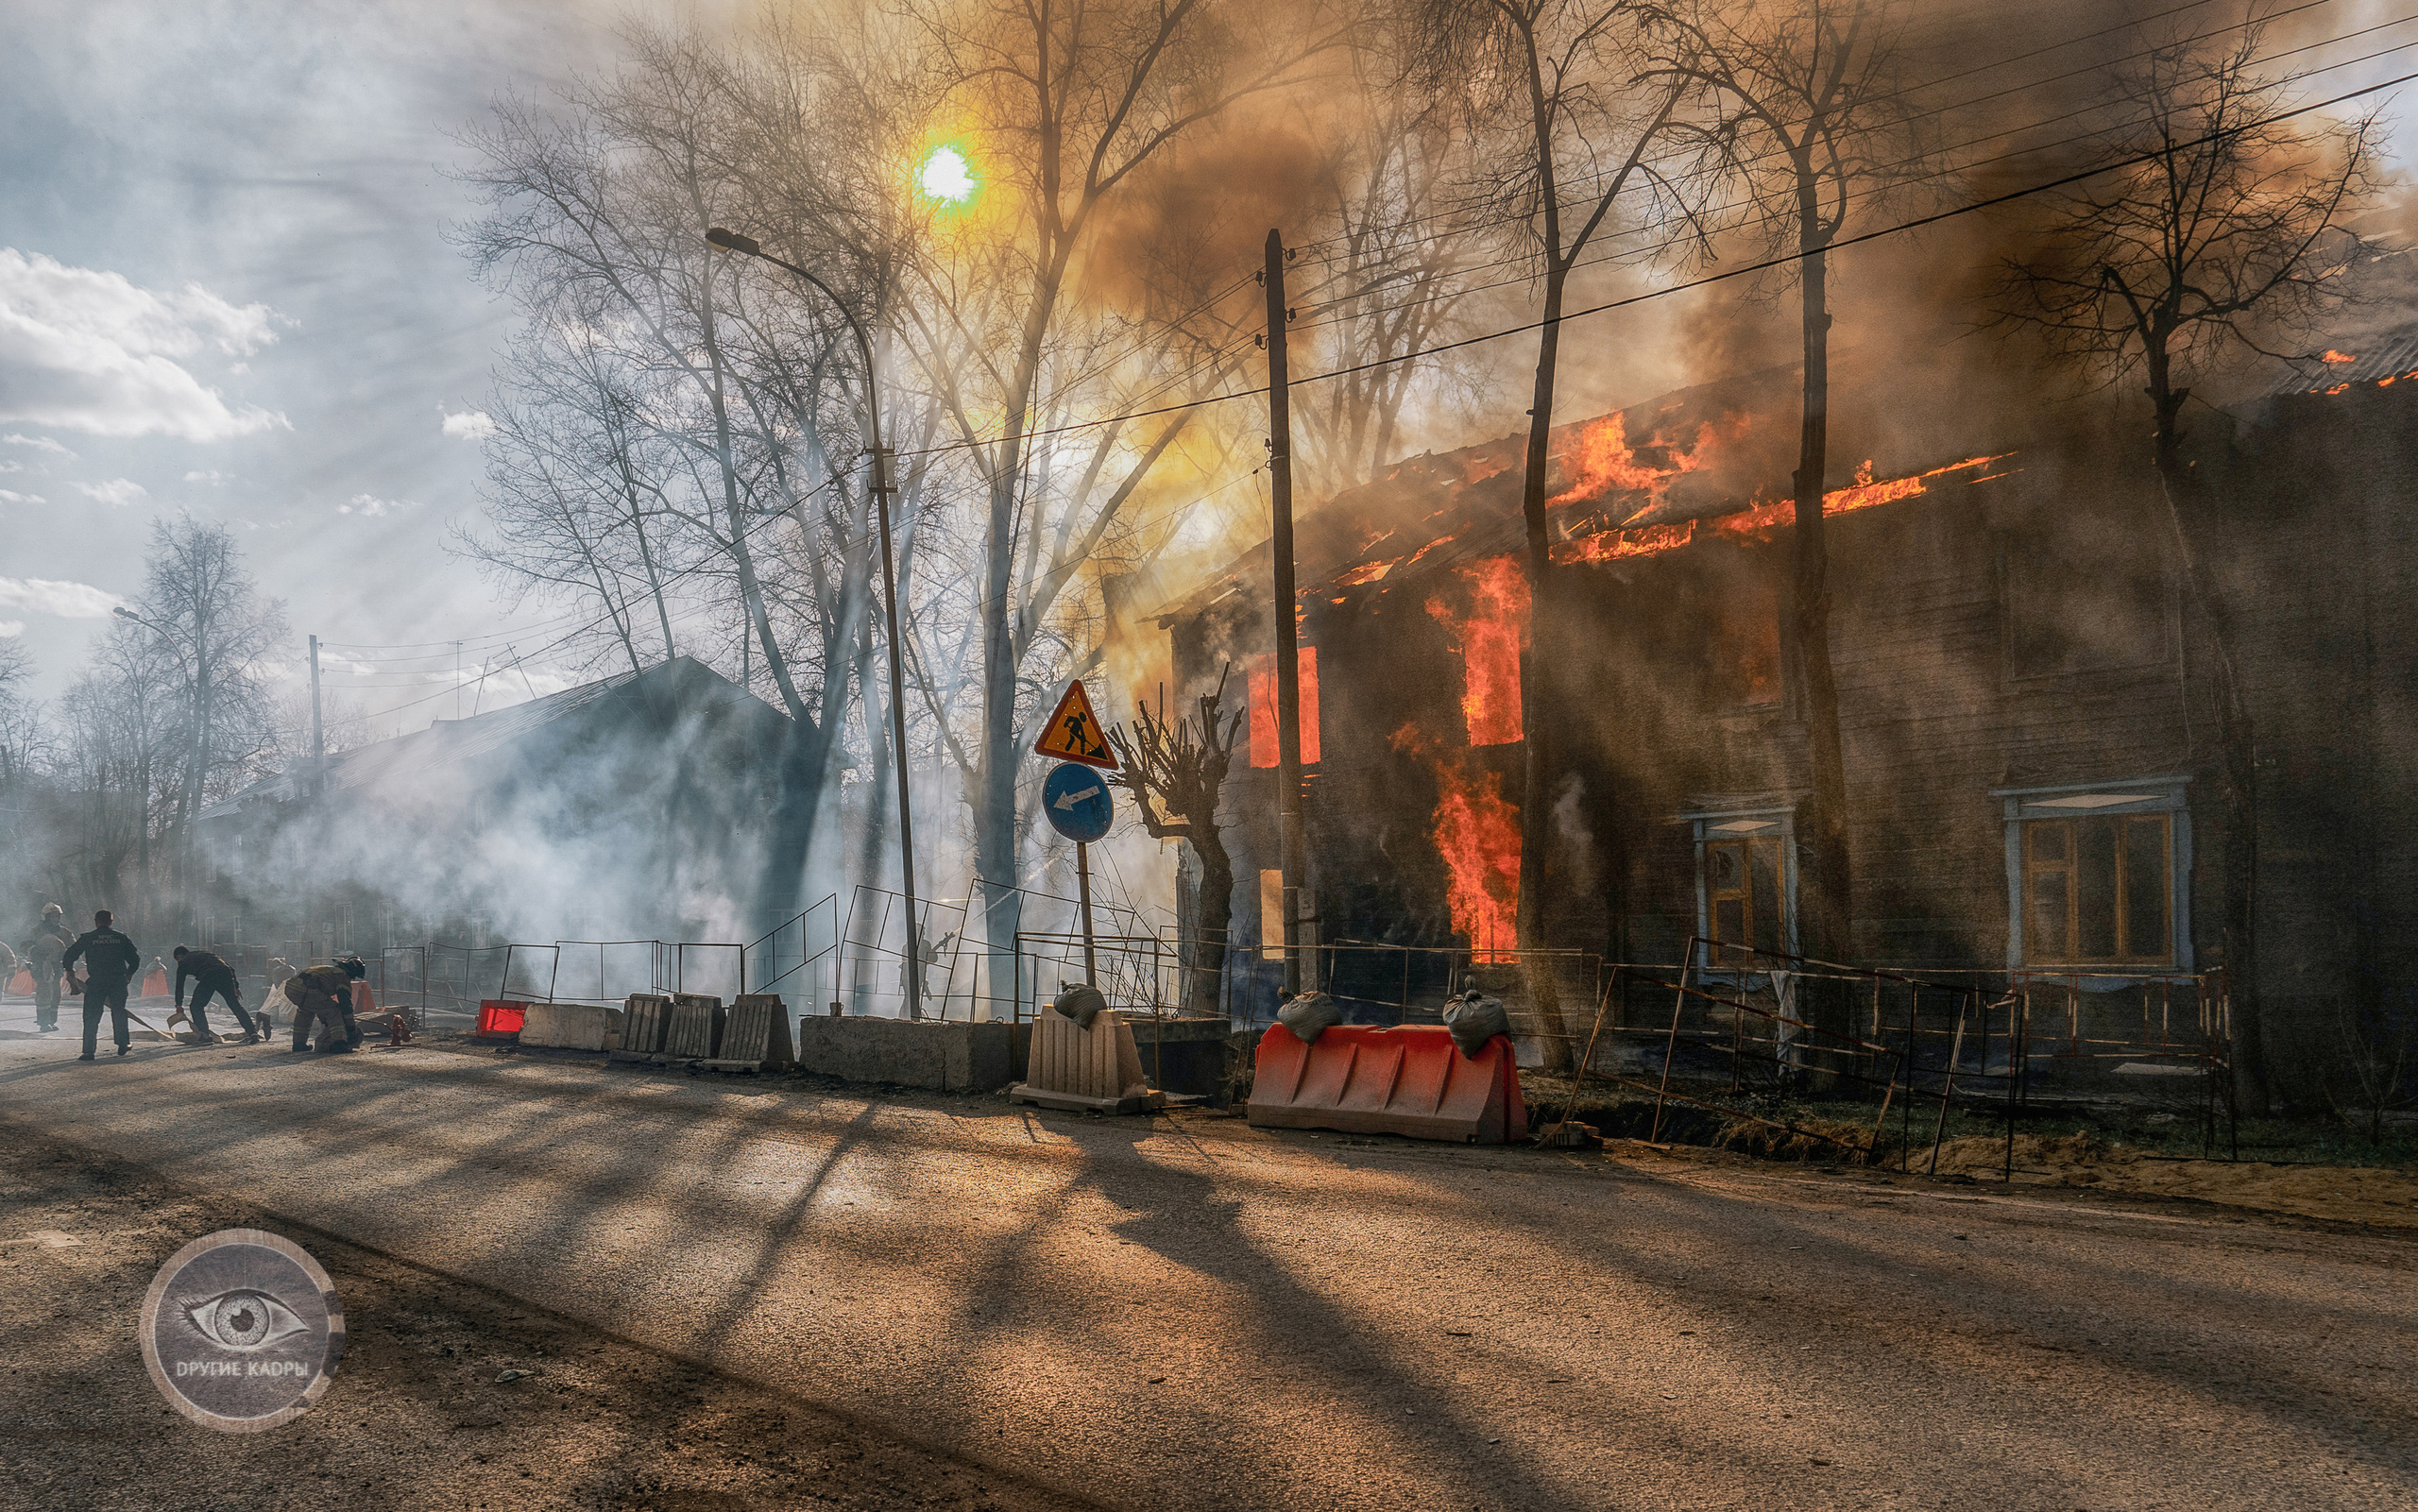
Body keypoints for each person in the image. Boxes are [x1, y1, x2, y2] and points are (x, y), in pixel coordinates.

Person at [60, 909, 141, 1062]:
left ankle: (88, 1051)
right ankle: (123, 1044)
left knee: (91, 1016)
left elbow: (69, 955)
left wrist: (70, 970)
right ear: (111, 921)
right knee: (119, 1012)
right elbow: (135, 960)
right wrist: (129, 974)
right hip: (118, 981)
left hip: (97, 982)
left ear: (96, 921)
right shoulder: (121, 937)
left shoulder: (88, 938)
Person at [172, 945, 262, 1045]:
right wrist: (235, 986)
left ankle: (204, 1036)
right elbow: (230, 968)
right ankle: (252, 1033)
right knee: (235, 1005)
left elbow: (179, 984)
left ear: (179, 956)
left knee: (196, 1006)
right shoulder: (205, 954)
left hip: (209, 976)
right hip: (225, 974)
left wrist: (178, 1004)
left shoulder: (183, 961)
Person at [283, 963, 355, 1054]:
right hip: (307, 989)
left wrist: (324, 1018)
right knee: (334, 1010)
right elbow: (345, 1004)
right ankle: (339, 1044)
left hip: (291, 988)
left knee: (306, 1011)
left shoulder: (328, 969)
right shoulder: (342, 976)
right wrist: (351, 1026)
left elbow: (320, 1004)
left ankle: (299, 1044)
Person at [27, 905, 71, 1033]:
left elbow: (72, 945)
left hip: (57, 966)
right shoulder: (36, 931)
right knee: (44, 993)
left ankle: (52, 1021)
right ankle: (44, 1022)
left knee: (56, 994)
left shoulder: (64, 931)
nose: (55, 918)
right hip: (41, 966)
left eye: (57, 916)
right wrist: (36, 952)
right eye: (52, 916)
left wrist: (66, 955)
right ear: (45, 917)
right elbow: (25, 944)